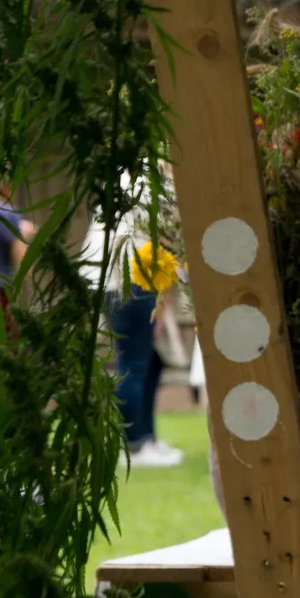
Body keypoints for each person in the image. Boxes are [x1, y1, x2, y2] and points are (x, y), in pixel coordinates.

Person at [81, 177, 185, 468]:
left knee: (150, 361)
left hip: (121, 279)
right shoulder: (144, 183)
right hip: (129, 279)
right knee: (134, 363)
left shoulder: (122, 181)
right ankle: (134, 445)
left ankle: (146, 438)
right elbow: (165, 234)